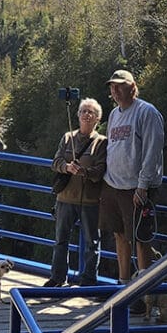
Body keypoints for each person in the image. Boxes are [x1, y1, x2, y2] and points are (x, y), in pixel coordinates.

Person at [99, 68, 166, 316]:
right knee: (119, 236)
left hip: (135, 189)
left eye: (120, 85)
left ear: (132, 86)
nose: (115, 90)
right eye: (112, 86)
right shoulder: (115, 115)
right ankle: (123, 287)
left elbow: (152, 151)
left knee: (141, 240)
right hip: (113, 185)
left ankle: (143, 296)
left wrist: (143, 186)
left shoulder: (146, 112)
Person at [47, 98, 106, 287]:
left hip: (90, 200)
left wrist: (85, 173)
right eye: (83, 111)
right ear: (78, 115)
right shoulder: (67, 138)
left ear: (98, 118)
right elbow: (55, 163)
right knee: (60, 241)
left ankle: (88, 280)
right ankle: (57, 278)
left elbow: (101, 171)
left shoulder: (102, 143)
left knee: (92, 244)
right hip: (65, 198)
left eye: (91, 112)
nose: (87, 115)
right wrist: (66, 167)